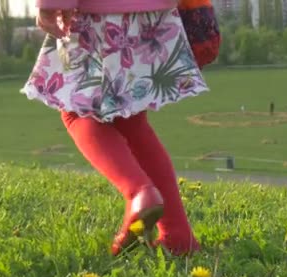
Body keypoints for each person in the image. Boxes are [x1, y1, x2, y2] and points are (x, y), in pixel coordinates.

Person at [21, 0, 211, 256]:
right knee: (132, 121)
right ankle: (177, 235)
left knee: (75, 113)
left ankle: (139, 193)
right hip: (154, 14)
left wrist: (52, 4)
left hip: (99, 15)